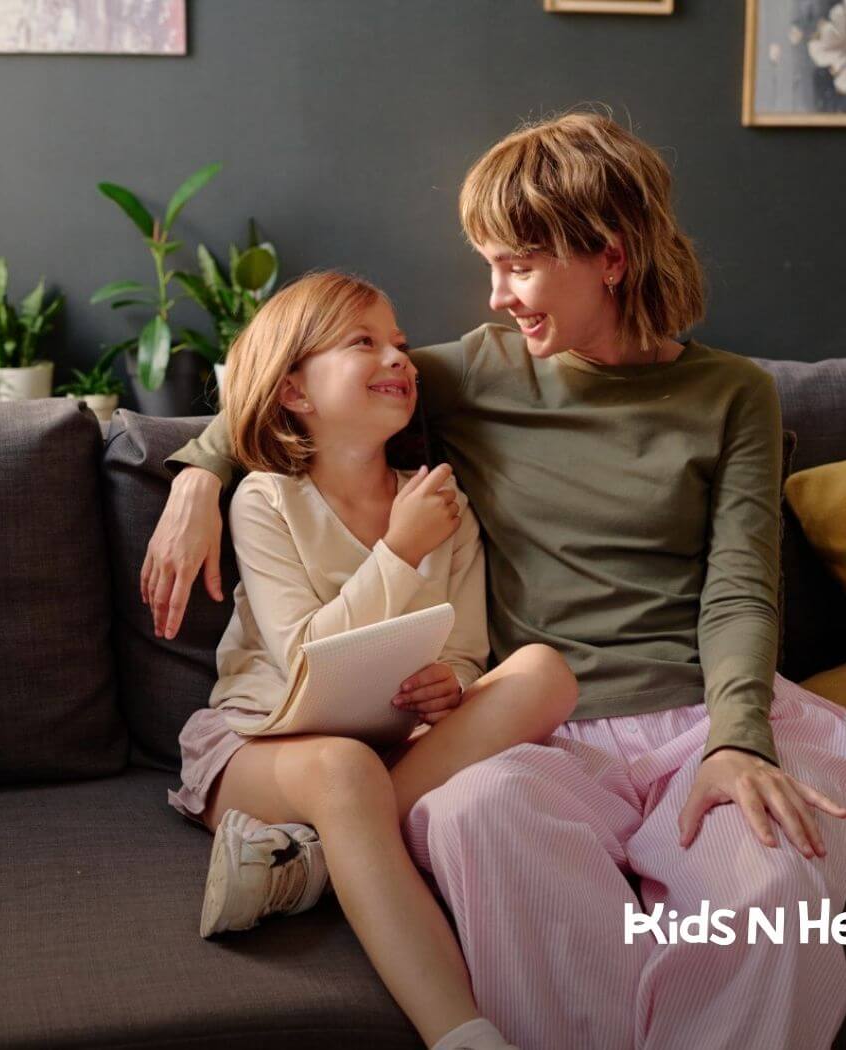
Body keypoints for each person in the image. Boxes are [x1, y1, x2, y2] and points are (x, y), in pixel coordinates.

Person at [146, 112, 846, 1050]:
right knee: (478, 820)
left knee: (768, 894)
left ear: (610, 256)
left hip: (701, 712)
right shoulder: (475, 374)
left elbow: (740, 586)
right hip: (538, 734)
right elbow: (300, 384)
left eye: (518, 266)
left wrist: (738, 740)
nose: (495, 297)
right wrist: (200, 474)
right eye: (489, 265)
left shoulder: (734, 394)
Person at [166, 270, 578, 1050]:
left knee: (543, 672)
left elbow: (464, 648)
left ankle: (321, 859)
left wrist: (450, 684)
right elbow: (304, 661)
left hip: (396, 744)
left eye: (399, 341)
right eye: (364, 342)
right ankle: (461, 1034)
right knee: (345, 768)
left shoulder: (440, 504)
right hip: (265, 745)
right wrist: (398, 550)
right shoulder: (266, 499)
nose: (399, 358)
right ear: (295, 390)